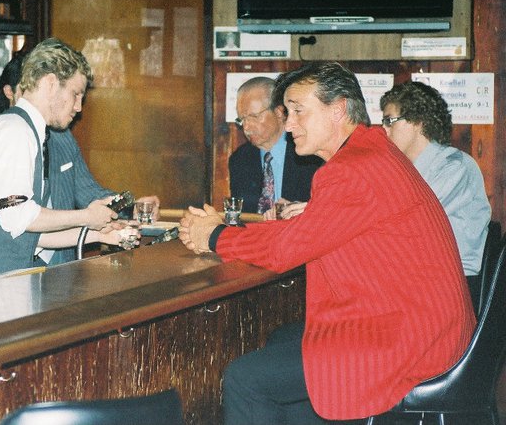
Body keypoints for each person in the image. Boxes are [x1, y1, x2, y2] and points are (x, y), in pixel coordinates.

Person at [178, 62, 475, 424]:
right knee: (282, 342)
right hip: (427, 326)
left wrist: (213, 235)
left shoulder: (351, 169)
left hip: (409, 340)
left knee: (245, 379)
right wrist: (224, 230)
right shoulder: (371, 153)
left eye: (298, 111)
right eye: (287, 113)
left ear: (338, 111)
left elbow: (285, 250)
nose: (287, 125)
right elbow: (305, 233)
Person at [0, 38, 157, 284]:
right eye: (75, 94)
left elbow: (30, 234)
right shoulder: (15, 131)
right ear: (51, 83)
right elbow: (20, 216)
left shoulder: (30, 132)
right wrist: (86, 217)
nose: (79, 107)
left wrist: (98, 235)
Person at [380, 80, 491, 303]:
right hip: (416, 283)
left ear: (419, 121)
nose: (383, 129)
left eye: (389, 121)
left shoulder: (455, 166)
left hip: (452, 289)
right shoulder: (403, 171)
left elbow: (406, 219)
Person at [229, 76, 321, 216]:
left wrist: (302, 211)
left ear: (278, 112)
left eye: (254, 116)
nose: (246, 127)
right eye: (242, 119)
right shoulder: (240, 159)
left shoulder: (310, 154)